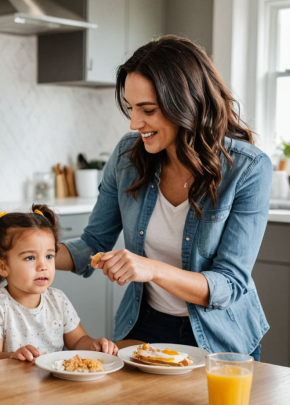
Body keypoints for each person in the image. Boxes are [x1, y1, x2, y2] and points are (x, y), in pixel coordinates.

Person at [55, 35, 272, 361]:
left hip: (221, 337)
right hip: (145, 327)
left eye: (148, 110)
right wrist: (25, 250)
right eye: (131, 108)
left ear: (187, 104)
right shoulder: (127, 156)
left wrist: (151, 269)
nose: (134, 123)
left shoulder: (248, 168)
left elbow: (228, 284)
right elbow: (94, 243)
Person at [0, 204, 118, 362]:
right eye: (30, 258)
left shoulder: (58, 300)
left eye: (49, 256)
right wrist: (12, 356)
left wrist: (95, 346)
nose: (43, 266)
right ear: (2, 266)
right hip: (13, 384)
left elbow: (77, 341)